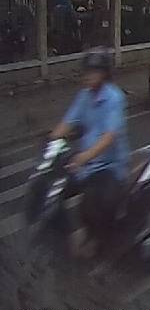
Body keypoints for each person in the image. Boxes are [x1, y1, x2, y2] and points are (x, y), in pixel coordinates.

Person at [51, 47, 131, 258]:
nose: (88, 76)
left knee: (92, 204)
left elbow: (109, 137)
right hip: (84, 164)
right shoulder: (84, 96)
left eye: (93, 71)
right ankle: (68, 238)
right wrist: (51, 140)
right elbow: (68, 123)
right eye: (86, 71)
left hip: (109, 165)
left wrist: (84, 157)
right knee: (54, 192)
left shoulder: (114, 98)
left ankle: (102, 242)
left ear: (104, 73)